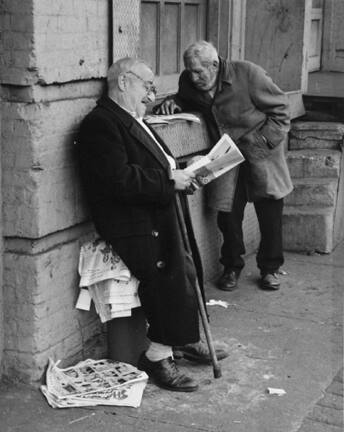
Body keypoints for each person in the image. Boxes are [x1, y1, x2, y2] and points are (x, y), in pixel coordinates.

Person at [76, 57, 227, 393]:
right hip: (132, 219)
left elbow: (157, 163)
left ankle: (183, 339)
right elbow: (118, 179)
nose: (151, 94)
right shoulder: (101, 123)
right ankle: (158, 356)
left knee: (189, 269)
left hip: (157, 207)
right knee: (168, 273)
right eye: (147, 85)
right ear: (124, 81)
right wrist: (168, 179)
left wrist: (185, 173)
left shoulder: (132, 117)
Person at [155, 40, 293, 292]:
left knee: (270, 214)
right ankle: (231, 267)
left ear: (215, 65)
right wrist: (174, 102)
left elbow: (283, 109)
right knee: (227, 216)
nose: (194, 77)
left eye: (199, 71)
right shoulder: (188, 82)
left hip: (261, 152)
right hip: (226, 157)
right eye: (190, 71)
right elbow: (187, 100)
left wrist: (261, 142)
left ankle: (270, 269)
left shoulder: (248, 74)